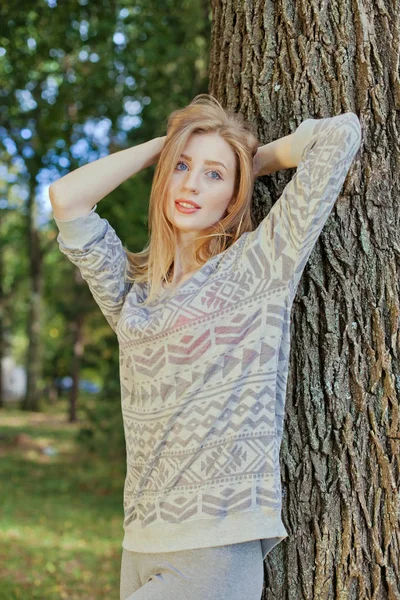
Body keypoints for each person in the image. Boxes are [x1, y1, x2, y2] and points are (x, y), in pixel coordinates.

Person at [50, 94, 362, 599]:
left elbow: (340, 133)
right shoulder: (133, 293)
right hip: (139, 545)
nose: (192, 184)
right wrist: (164, 147)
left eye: (214, 175)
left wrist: (248, 164)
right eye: (182, 168)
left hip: (212, 551)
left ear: (234, 196)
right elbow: (67, 199)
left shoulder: (259, 267)